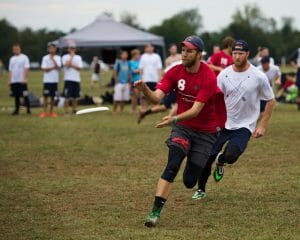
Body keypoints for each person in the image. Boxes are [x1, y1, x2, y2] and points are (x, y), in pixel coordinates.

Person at [134, 35, 226, 227]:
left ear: (199, 54)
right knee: (173, 164)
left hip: (205, 133)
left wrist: (173, 118)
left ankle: (203, 162)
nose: (184, 54)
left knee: (189, 181)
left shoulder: (208, 76)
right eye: (183, 50)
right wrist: (145, 90)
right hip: (183, 129)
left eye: (189, 50)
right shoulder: (175, 71)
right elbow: (157, 98)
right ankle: (154, 213)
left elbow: (196, 110)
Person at [192, 40, 276, 201]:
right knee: (207, 157)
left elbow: (271, 100)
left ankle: (221, 161)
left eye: (240, 53)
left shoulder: (259, 76)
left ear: (248, 54)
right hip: (222, 122)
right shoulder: (224, 74)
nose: (237, 56)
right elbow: (214, 98)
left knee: (231, 156)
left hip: (245, 125)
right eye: (234, 53)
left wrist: (262, 125)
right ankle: (201, 188)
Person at [8, 43, 31, 115]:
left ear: (20, 49)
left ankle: (28, 109)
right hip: (14, 81)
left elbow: (26, 68)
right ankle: (17, 110)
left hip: (22, 80)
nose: (16, 50)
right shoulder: (12, 59)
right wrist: (9, 80)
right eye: (14, 49)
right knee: (16, 96)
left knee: (25, 95)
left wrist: (25, 78)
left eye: (17, 49)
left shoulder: (24, 57)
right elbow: (10, 70)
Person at [40, 43, 61, 118]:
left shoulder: (58, 58)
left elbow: (58, 68)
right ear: (48, 49)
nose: (52, 50)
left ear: (55, 49)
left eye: (53, 48)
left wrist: (53, 60)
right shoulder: (45, 58)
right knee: (45, 97)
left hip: (54, 81)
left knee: (53, 97)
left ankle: (52, 112)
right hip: (47, 81)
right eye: (50, 48)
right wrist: (53, 67)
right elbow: (44, 69)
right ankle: (44, 112)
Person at [139, 43, 163, 110]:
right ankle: (144, 108)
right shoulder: (143, 56)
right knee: (144, 95)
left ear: (153, 48)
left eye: (151, 47)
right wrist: (141, 78)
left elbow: (159, 68)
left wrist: (160, 77)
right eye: (148, 47)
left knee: (155, 95)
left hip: (155, 79)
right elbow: (141, 68)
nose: (149, 48)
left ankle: (155, 108)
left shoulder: (157, 56)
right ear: (145, 48)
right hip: (146, 79)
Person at [62, 44, 83, 114]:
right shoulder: (65, 57)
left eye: (73, 49)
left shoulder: (78, 57)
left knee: (75, 97)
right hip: (68, 79)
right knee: (67, 97)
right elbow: (66, 65)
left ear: (75, 49)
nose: (72, 50)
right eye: (70, 48)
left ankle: (74, 110)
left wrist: (72, 65)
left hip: (76, 79)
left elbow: (79, 68)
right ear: (68, 49)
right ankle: (66, 111)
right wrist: (71, 57)